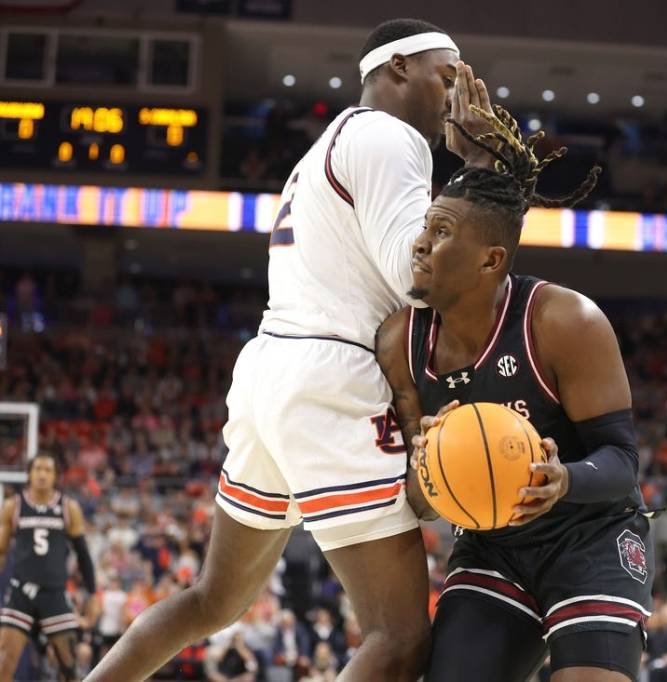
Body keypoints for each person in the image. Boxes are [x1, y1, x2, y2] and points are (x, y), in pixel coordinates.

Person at [87, 18, 496, 682]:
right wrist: (478, 176)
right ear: (396, 69)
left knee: (212, 600)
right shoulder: (392, 140)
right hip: (331, 378)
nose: (458, 94)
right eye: (446, 75)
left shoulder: (327, 145)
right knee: (398, 636)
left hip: (272, 366)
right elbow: (415, 281)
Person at [376, 104, 651, 682]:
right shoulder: (400, 339)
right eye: (426, 226)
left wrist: (564, 480)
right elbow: (422, 504)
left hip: (590, 535)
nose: (420, 243)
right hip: (492, 544)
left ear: (491, 260)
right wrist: (425, 469)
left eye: (441, 232)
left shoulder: (564, 320)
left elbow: (623, 462)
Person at [0, 455, 96, 682]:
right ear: (30, 474)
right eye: (38, 469)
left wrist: (92, 593)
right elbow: (1, 551)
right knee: (4, 663)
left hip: (54, 593)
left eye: (48, 470)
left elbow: (83, 554)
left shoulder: (68, 507)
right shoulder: (14, 506)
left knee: (69, 668)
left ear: (55, 476)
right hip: (20, 592)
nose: (42, 474)